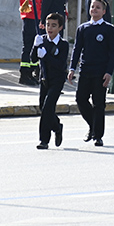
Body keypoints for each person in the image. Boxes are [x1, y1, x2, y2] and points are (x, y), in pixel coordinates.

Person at [68, 0, 114, 147]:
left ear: (104, 11)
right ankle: (92, 125)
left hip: (101, 72)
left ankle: (98, 136)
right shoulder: (83, 28)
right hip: (85, 70)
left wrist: (109, 72)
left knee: (99, 104)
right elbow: (77, 49)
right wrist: (72, 68)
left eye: (98, 7)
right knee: (81, 99)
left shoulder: (108, 29)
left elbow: (113, 53)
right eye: (92, 7)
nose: (94, 9)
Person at [32, 12, 69, 149]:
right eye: (48, 25)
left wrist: (46, 56)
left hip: (57, 80)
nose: (50, 28)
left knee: (48, 107)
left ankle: (44, 140)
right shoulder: (42, 40)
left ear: (60, 28)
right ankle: (57, 126)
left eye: (54, 25)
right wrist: (35, 46)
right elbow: (33, 59)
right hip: (44, 79)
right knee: (43, 108)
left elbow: (60, 65)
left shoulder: (63, 44)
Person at [19, 0, 50, 86]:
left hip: (38, 21)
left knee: (36, 47)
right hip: (30, 20)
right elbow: (33, 6)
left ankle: (32, 72)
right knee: (28, 47)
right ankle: (24, 74)